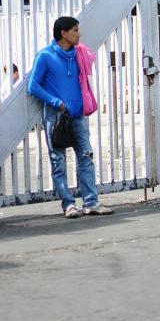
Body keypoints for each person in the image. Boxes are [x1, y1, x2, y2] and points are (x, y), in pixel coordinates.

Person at [28, 16, 113, 218]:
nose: (79, 34)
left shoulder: (79, 54)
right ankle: (68, 204)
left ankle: (91, 203)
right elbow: (33, 86)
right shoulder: (45, 56)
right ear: (63, 33)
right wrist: (57, 102)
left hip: (78, 115)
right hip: (55, 117)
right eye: (75, 30)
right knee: (58, 161)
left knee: (86, 157)